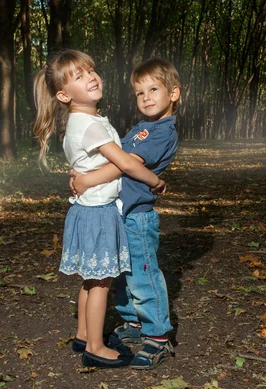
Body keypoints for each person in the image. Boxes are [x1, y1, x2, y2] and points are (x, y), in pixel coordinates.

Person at [32, 50, 166, 369]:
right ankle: (95, 347)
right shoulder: (90, 126)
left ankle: (82, 335)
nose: (91, 77)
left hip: (86, 210)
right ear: (64, 95)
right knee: (102, 282)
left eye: (91, 71)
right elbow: (125, 165)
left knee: (90, 280)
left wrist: (86, 178)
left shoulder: (83, 121)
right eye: (79, 76)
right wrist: (156, 182)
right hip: (99, 214)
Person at [70, 57, 180, 369]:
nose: (145, 97)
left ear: (173, 93)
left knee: (143, 275)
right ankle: (134, 322)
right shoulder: (142, 127)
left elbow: (124, 163)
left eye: (153, 89)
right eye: (139, 93)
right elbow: (108, 156)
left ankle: (157, 335)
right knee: (122, 273)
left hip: (137, 216)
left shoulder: (162, 132)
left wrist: (88, 179)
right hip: (119, 212)